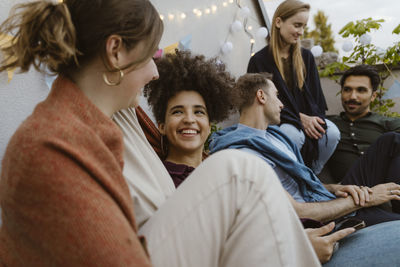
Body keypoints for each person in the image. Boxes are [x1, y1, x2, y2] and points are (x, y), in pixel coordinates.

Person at [0, 1, 321, 266]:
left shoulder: (119, 116)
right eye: (153, 53)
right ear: (115, 51)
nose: (156, 71)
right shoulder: (52, 146)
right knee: (241, 170)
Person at [209, 72, 400, 264]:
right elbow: (296, 212)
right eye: (277, 95)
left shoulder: (276, 136)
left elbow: (303, 183)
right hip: (323, 222)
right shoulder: (245, 154)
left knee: (390, 140)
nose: (282, 104)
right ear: (261, 96)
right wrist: (367, 199)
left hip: (331, 201)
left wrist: (336, 188)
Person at [247, 0, 340, 174]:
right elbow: (260, 104)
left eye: (304, 26)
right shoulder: (259, 61)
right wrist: (299, 119)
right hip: (276, 121)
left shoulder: (307, 58)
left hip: (305, 117)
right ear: (278, 22)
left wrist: (313, 120)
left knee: (331, 133)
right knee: (292, 134)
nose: (301, 32)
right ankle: (292, 178)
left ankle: (312, 174)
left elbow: (316, 98)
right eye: (297, 25)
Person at [143, 50, 235, 187]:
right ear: (162, 126)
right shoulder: (156, 181)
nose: (189, 119)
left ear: (209, 125)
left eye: (198, 112)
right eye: (178, 112)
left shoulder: (224, 174)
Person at [326, 65, 400, 182]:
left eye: (361, 90)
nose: (352, 96)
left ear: (373, 96)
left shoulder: (387, 123)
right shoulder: (329, 125)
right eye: (347, 89)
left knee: (393, 139)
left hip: (380, 188)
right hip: (344, 189)